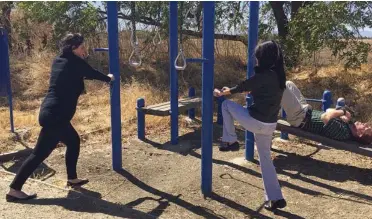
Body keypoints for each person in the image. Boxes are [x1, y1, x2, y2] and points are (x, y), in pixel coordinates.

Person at [6, 33, 114, 202]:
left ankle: (72, 178)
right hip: (56, 116)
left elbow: (79, 74)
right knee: (39, 154)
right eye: (82, 47)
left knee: (73, 141)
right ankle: (14, 190)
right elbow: (93, 73)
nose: (84, 50)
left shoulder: (59, 61)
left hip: (51, 113)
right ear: (73, 48)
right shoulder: (75, 62)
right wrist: (109, 78)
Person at [214, 41, 287, 211]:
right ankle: (276, 198)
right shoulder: (278, 75)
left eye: (258, 58)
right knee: (265, 160)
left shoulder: (264, 75)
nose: (256, 61)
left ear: (263, 59)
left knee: (225, 105)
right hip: (269, 125)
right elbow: (255, 89)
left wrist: (221, 93)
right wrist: (236, 90)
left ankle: (230, 140)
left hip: (257, 122)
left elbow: (243, 86)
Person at [281, 81, 372, 144]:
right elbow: (328, 111)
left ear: (360, 134)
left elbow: (325, 116)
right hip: (304, 110)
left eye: (366, 127)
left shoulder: (343, 133)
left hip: (299, 118)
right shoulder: (348, 124)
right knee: (288, 84)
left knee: (281, 86)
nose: (365, 124)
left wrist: (342, 112)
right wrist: (341, 114)